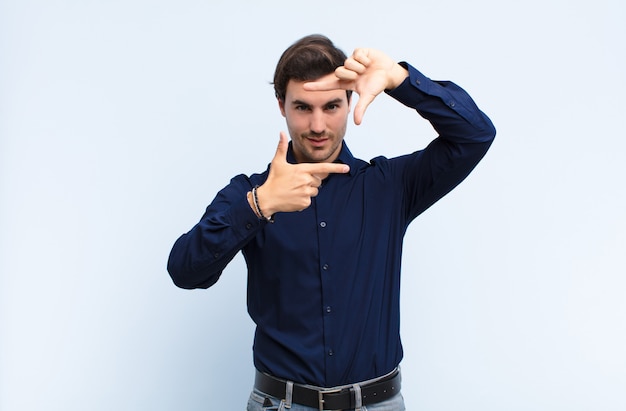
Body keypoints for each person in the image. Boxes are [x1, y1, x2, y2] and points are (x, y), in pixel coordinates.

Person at [167, 34, 496, 411]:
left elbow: (475, 136)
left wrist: (401, 79)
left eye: (332, 106)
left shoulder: (390, 186)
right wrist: (257, 207)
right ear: (282, 106)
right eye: (303, 107)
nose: (318, 124)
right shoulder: (250, 193)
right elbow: (184, 271)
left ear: (350, 101)